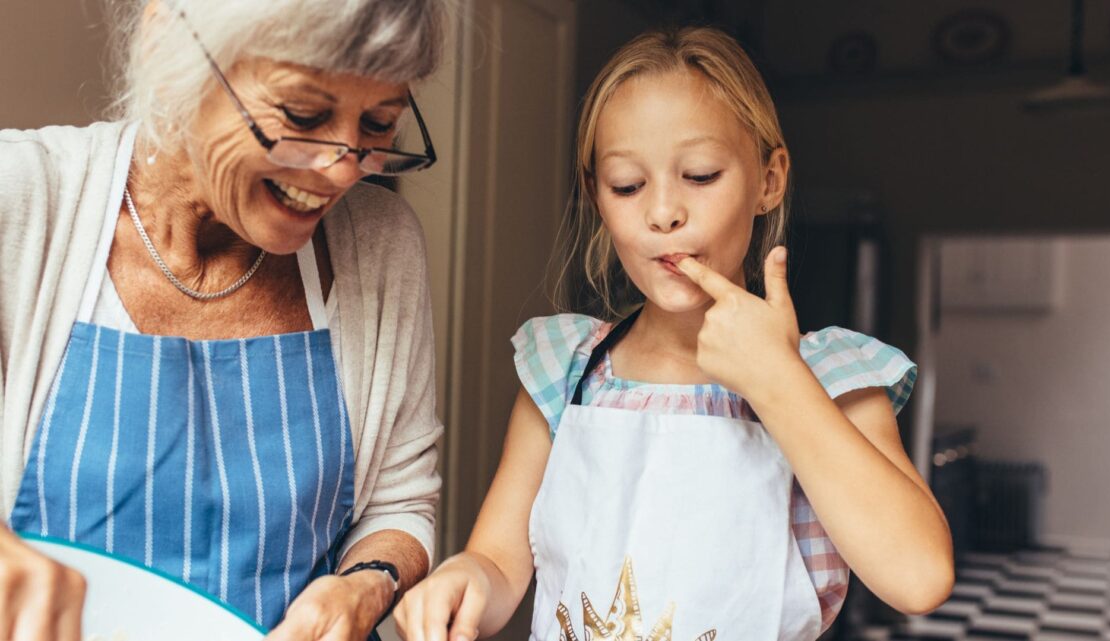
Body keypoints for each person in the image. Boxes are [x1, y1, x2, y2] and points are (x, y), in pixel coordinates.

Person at [394, 26, 954, 641]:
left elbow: (919, 578)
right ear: (596, 199)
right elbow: (499, 561)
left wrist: (780, 383)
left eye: (701, 175)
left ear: (769, 180)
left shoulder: (833, 377)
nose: (663, 213)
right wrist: (467, 578)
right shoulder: (563, 369)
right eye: (628, 186)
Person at [0, 1, 447, 639]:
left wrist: (366, 585)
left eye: (378, 124)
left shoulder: (383, 246)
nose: (343, 168)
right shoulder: (18, 201)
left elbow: (401, 499)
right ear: (168, 44)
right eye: (304, 115)